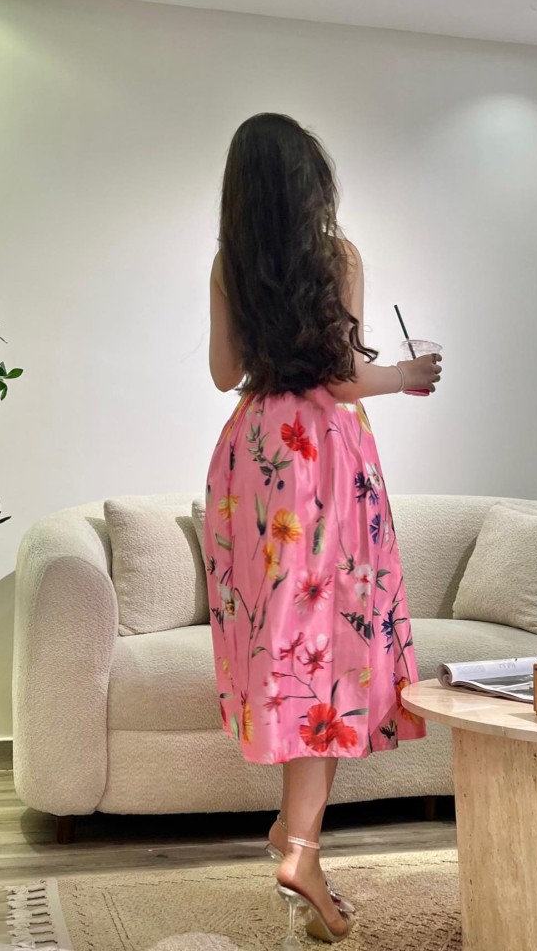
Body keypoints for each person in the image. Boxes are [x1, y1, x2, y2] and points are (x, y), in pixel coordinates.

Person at [202, 113, 442, 944]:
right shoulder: (339, 256)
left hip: (253, 455)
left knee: (287, 644)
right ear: (310, 183)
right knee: (331, 651)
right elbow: (341, 380)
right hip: (325, 460)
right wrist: (408, 373)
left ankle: (290, 832)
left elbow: (224, 373)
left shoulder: (229, 264)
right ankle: (301, 850)